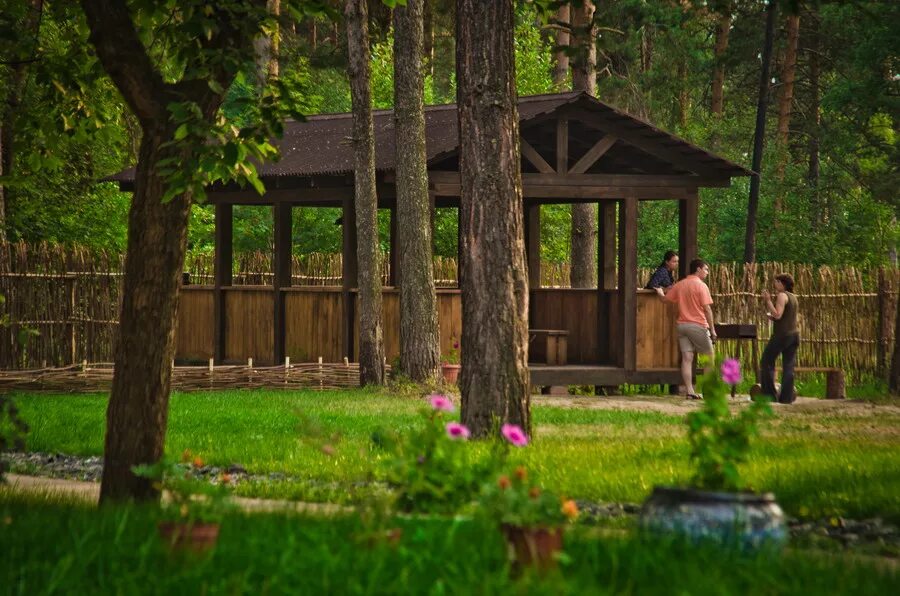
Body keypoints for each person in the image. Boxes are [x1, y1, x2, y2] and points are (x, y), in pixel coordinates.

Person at [655, 258, 716, 399]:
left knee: (687, 358)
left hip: (682, 326)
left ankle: (689, 391)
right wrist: (712, 330)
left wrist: (659, 292)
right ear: (698, 269)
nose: (707, 272)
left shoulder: (680, 285)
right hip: (698, 325)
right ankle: (708, 391)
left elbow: (665, 300)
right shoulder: (702, 286)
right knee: (709, 358)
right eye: (706, 269)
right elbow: (707, 309)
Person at [760, 273, 800, 404]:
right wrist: (773, 317)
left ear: (783, 284)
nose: (775, 284)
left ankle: (769, 395)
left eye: (777, 282)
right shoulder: (794, 297)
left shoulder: (782, 296)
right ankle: (786, 398)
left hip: (782, 335)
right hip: (794, 335)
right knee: (788, 366)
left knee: (766, 362)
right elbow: (786, 316)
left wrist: (768, 301)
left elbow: (777, 315)